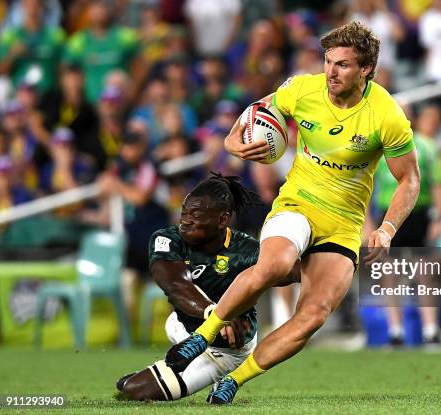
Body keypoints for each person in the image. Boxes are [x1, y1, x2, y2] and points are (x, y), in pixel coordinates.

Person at [165, 21, 420, 404]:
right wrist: (232, 139)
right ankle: (201, 337)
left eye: (343, 65)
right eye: (328, 61)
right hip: (298, 203)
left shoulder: (387, 115)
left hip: (344, 224)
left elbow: (410, 181)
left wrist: (385, 228)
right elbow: (257, 111)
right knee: (274, 266)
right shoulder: (302, 88)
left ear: (366, 69)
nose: (331, 72)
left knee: (313, 316)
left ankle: (233, 380)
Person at [115, 173, 297, 401]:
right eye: (184, 213)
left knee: (134, 390)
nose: (186, 220)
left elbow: (294, 271)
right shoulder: (168, 239)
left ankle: (223, 376)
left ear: (222, 220)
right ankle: (163, 371)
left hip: (225, 350)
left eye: (195, 215)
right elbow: (175, 284)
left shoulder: (247, 250)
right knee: (132, 386)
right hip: (182, 326)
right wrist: (217, 314)